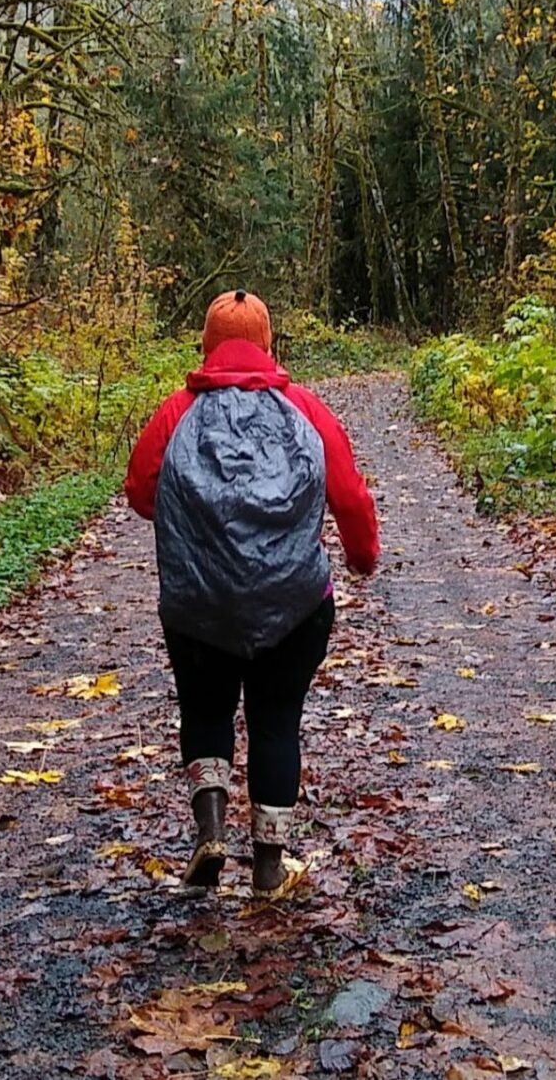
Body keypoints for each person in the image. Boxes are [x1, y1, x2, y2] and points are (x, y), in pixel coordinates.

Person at [124, 290, 380, 895]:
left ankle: (211, 831)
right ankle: (269, 865)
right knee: (275, 720)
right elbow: (348, 496)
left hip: (199, 608)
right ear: (269, 346)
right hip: (292, 606)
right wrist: (362, 558)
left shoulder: (176, 412)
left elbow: (139, 493)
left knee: (206, 708)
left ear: (206, 347)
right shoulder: (307, 410)